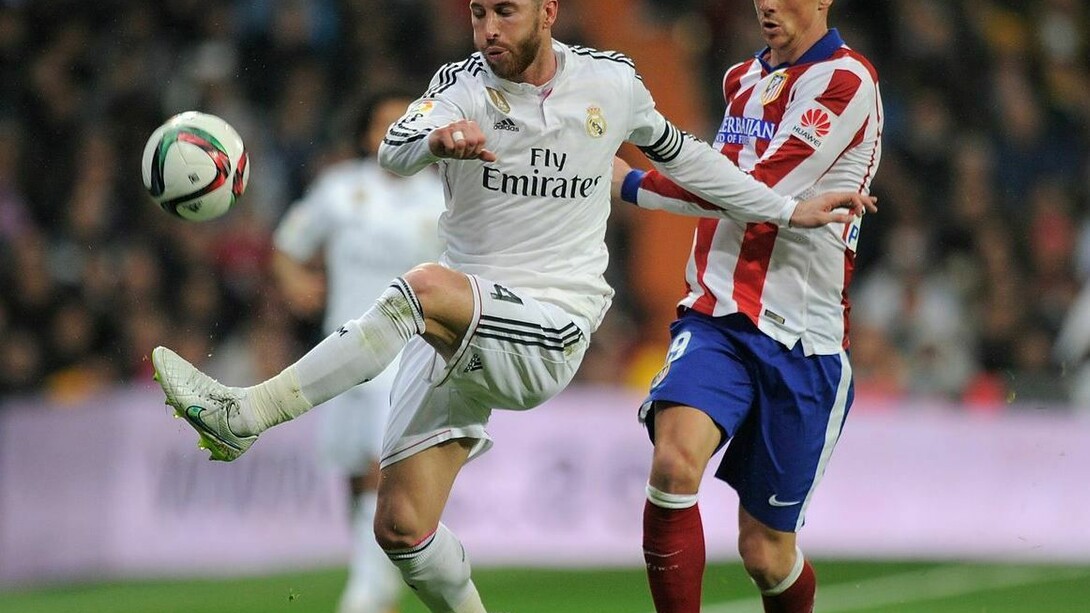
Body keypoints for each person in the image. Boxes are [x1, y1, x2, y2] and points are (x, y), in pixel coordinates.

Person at [150, 1, 874, 611]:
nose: (487, 28)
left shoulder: (610, 84)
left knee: (423, 286)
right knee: (402, 526)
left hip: (550, 322)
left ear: (546, 13)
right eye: (477, 12)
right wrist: (438, 137)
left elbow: (688, 157)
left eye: (504, 11)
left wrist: (783, 210)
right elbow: (396, 150)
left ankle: (245, 416)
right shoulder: (460, 86)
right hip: (458, 328)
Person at [613, 1, 883, 611]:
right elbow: (720, 171)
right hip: (717, 314)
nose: (767, 3)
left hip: (805, 339)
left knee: (765, 553)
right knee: (674, 465)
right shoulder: (742, 79)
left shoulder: (846, 81)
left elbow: (757, 190)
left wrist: (628, 181)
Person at [271, 90, 446, 613]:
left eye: (405, 124)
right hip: (337, 351)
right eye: (382, 125)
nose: (393, 134)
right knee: (352, 469)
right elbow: (287, 244)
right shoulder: (339, 189)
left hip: (404, 354)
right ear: (368, 135)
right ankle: (375, 573)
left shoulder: (440, 197)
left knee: (378, 463)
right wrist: (295, 281)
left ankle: (369, 589)